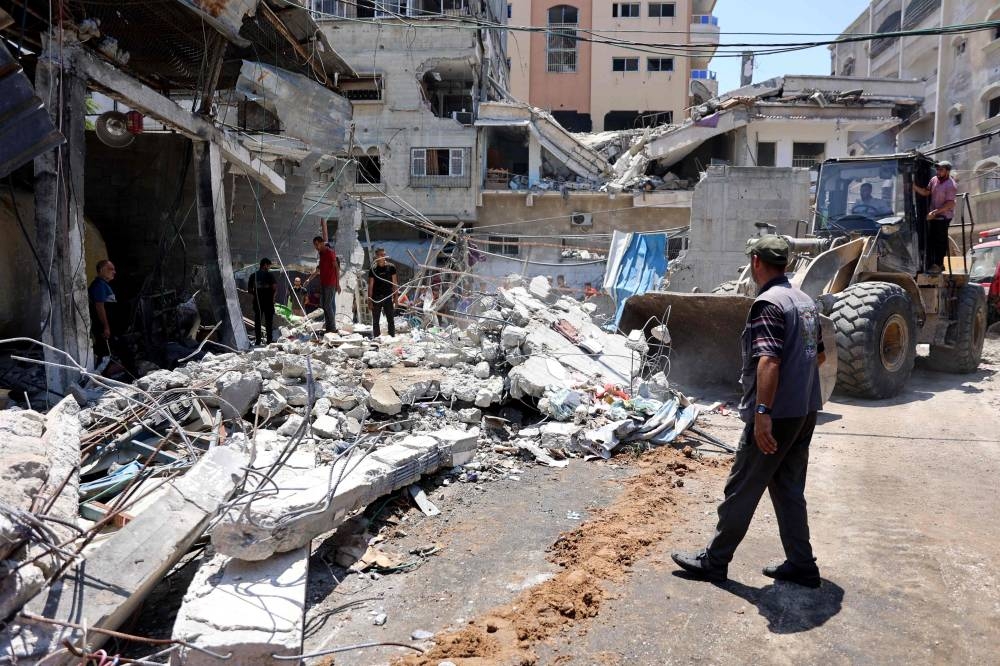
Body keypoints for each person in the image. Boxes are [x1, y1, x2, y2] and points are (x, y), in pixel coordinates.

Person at [671, 236, 826, 588]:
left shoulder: (768, 304)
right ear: (784, 263)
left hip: (778, 415)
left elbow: (768, 360)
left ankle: (715, 561)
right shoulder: (804, 302)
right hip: (804, 411)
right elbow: (818, 356)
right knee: (787, 488)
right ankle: (802, 564)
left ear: (756, 262)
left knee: (742, 486)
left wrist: (762, 412)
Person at [913, 160, 957, 272]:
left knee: (940, 240)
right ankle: (932, 264)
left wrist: (934, 212)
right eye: (937, 169)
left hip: (944, 216)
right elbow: (926, 192)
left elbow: (950, 204)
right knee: (931, 239)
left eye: (941, 169)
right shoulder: (934, 180)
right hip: (934, 216)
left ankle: (939, 264)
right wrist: (913, 187)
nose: (938, 171)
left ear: (947, 171)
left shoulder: (950, 184)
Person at [88, 259, 117, 362]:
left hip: (105, 327)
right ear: (101, 270)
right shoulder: (99, 285)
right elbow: (99, 307)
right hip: (102, 328)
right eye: (110, 269)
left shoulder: (103, 285)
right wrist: (106, 327)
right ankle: (103, 374)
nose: (114, 272)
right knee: (106, 355)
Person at [312, 235, 341, 333]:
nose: (316, 247)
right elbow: (319, 268)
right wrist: (309, 279)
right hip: (324, 283)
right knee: (324, 305)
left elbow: (336, 268)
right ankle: (329, 327)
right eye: (314, 245)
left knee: (328, 305)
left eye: (317, 245)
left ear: (321, 243)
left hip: (330, 283)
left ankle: (332, 328)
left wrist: (338, 284)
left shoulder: (330, 253)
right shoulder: (321, 254)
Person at [368, 247, 399, 338]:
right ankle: (377, 339)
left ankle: (392, 337)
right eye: (381, 255)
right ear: (376, 256)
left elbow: (394, 283)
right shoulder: (373, 269)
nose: (383, 256)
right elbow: (370, 285)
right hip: (376, 297)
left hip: (388, 297)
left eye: (384, 255)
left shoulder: (391, 267)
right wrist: (369, 300)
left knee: (390, 319)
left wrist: (396, 297)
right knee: (375, 321)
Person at [248, 258, 277, 345]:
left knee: (257, 322)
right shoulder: (270, 275)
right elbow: (275, 288)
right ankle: (269, 341)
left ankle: (258, 341)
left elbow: (249, 290)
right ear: (265, 265)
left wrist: (257, 294)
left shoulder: (253, 275)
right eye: (268, 266)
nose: (269, 267)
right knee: (269, 322)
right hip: (268, 302)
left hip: (257, 302)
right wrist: (272, 298)